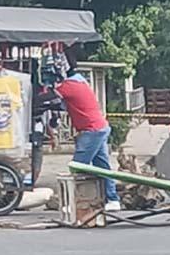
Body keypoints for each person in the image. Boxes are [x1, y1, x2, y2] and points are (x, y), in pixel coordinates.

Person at [47, 68, 122, 211]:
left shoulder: (69, 86)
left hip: (91, 130)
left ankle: (73, 203)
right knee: (102, 167)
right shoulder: (81, 83)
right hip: (100, 127)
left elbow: (50, 98)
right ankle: (112, 199)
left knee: (77, 167)